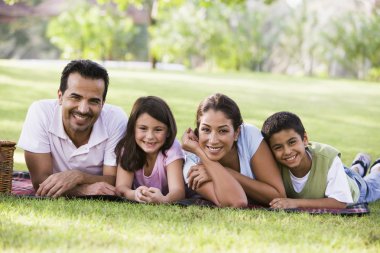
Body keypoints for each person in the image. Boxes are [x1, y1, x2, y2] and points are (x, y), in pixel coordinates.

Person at [18, 59, 128, 197]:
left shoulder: (116, 119)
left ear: (103, 103)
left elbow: (114, 180)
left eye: (94, 101)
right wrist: (84, 191)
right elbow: (40, 182)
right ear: (60, 96)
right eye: (75, 97)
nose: (83, 109)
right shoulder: (40, 112)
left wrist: (78, 176)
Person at [181, 93, 286, 208]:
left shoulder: (249, 136)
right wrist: (199, 151)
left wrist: (228, 172)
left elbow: (279, 196)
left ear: (236, 133)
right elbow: (236, 202)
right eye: (206, 129)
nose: (213, 140)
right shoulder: (192, 162)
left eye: (223, 131)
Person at [261, 111, 380, 209]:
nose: (287, 151)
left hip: (353, 186)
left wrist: (294, 202)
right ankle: (358, 166)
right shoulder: (273, 164)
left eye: (292, 142)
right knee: (348, 173)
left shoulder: (327, 157)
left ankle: (376, 169)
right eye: (278, 147)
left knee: (372, 186)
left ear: (305, 139)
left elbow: (339, 202)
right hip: (335, 175)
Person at [115, 96, 185, 203]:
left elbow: (178, 191)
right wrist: (135, 194)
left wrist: (164, 199)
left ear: (168, 132)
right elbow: (121, 188)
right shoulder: (128, 147)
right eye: (143, 128)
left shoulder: (172, 148)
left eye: (158, 130)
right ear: (133, 128)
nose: (150, 136)